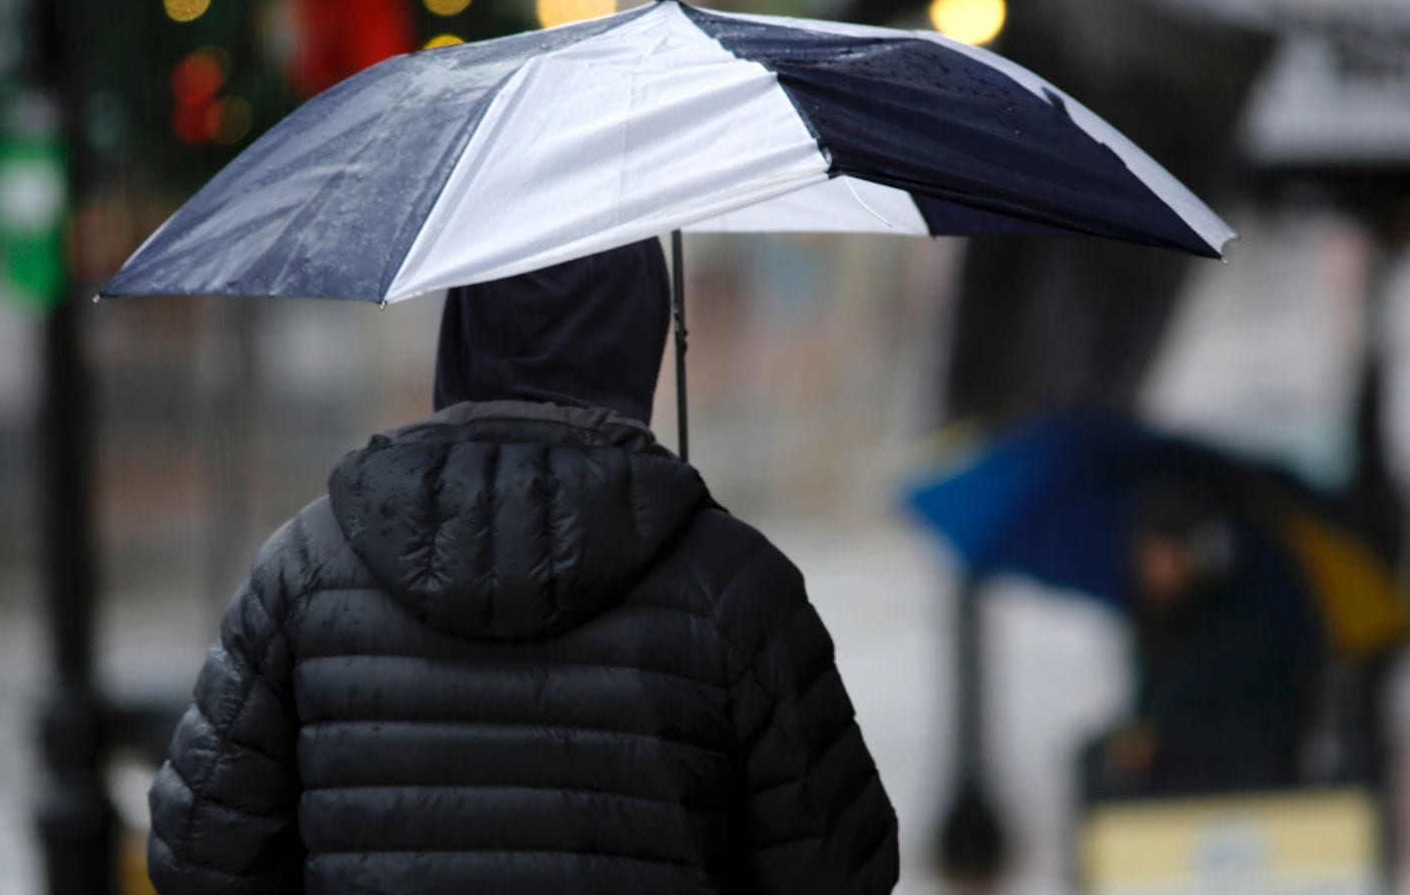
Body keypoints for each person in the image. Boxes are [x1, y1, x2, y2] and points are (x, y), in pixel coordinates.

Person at [147, 239, 900, 894]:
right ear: (638, 335)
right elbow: (841, 868)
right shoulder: (733, 584)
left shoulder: (304, 569)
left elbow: (199, 856)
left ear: (464, 329)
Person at [1087, 483, 1323, 798]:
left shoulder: (1239, 625)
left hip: (1235, 783)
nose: (1157, 568)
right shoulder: (1151, 626)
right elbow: (1148, 711)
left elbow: (1261, 721)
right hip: (1172, 789)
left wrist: (1164, 740)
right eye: (1148, 554)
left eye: (1168, 553)